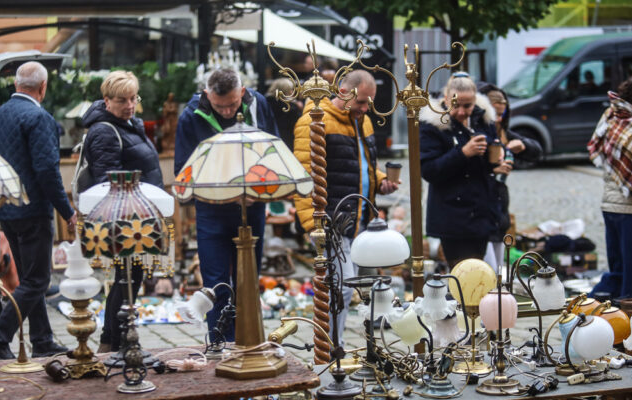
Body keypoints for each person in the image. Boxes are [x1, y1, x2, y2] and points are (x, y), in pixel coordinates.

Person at [292, 69, 398, 346]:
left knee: (345, 286)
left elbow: (364, 166)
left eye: (368, 103)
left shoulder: (362, 122)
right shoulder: (314, 120)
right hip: (331, 220)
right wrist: (311, 225)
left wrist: (382, 182)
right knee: (340, 286)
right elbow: (304, 176)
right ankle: (329, 346)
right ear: (343, 91)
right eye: (361, 102)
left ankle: (332, 344)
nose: (365, 109)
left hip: (357, 216)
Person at [174, 68, 278, 341]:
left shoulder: (258, 105)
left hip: (252, 208)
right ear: (207, 95)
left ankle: (249, 342)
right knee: (216, 283)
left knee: (247, 280)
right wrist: (225, 193)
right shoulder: (191, 116)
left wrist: (261, 190)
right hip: (213, 211)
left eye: (233, 104)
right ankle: (221, 345)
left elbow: (274, 152)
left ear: (242, 92)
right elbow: (184, 171)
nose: (228, 111)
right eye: (220, 106)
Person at [0, 61, 76, 360]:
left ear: (16, 85)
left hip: (7, 210)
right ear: (43, 87)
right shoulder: (40, 118)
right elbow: (47, 170)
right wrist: (67, 211)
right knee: (37, 281)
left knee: (29, 280)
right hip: (33, 209)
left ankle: (42, 340)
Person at [81, 70, 163, 353]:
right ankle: (114, 342)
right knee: (126, 279)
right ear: (107, 101)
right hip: (124, 219)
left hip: (138, 216)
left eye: (133, 98)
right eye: (121, 100)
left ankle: (112, 339)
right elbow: (106, 181)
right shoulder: (105, 131)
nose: (129, 105)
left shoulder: (128, 125)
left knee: (129, 279)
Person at [419, 72, 510, 269]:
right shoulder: (433, 125)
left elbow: (492, 153)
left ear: (475, 101)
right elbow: (429, 170)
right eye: (455, 105)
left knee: (480, 274)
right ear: (445, 98)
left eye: (467, 106)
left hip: (481, 210)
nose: (461, 111)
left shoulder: (483, 119)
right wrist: (463, 153)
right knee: (463, 276)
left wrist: (499, 159)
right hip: (452, 215)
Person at [588, 74, 632, 299]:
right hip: (631, 214)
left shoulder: (612, 115)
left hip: (611, 208)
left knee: (618, 273)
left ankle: (589, 312)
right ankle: (631, 328)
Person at [477, 83, 543, 271]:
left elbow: (537, 151)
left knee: (497, 270)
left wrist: (523, 146)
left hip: (499, 210)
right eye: (494, 114)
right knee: (486, 270)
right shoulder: (478, 136)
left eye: (501, 114)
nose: (498, 119)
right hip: (480, 212)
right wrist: (491, 168)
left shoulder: (504, 134)